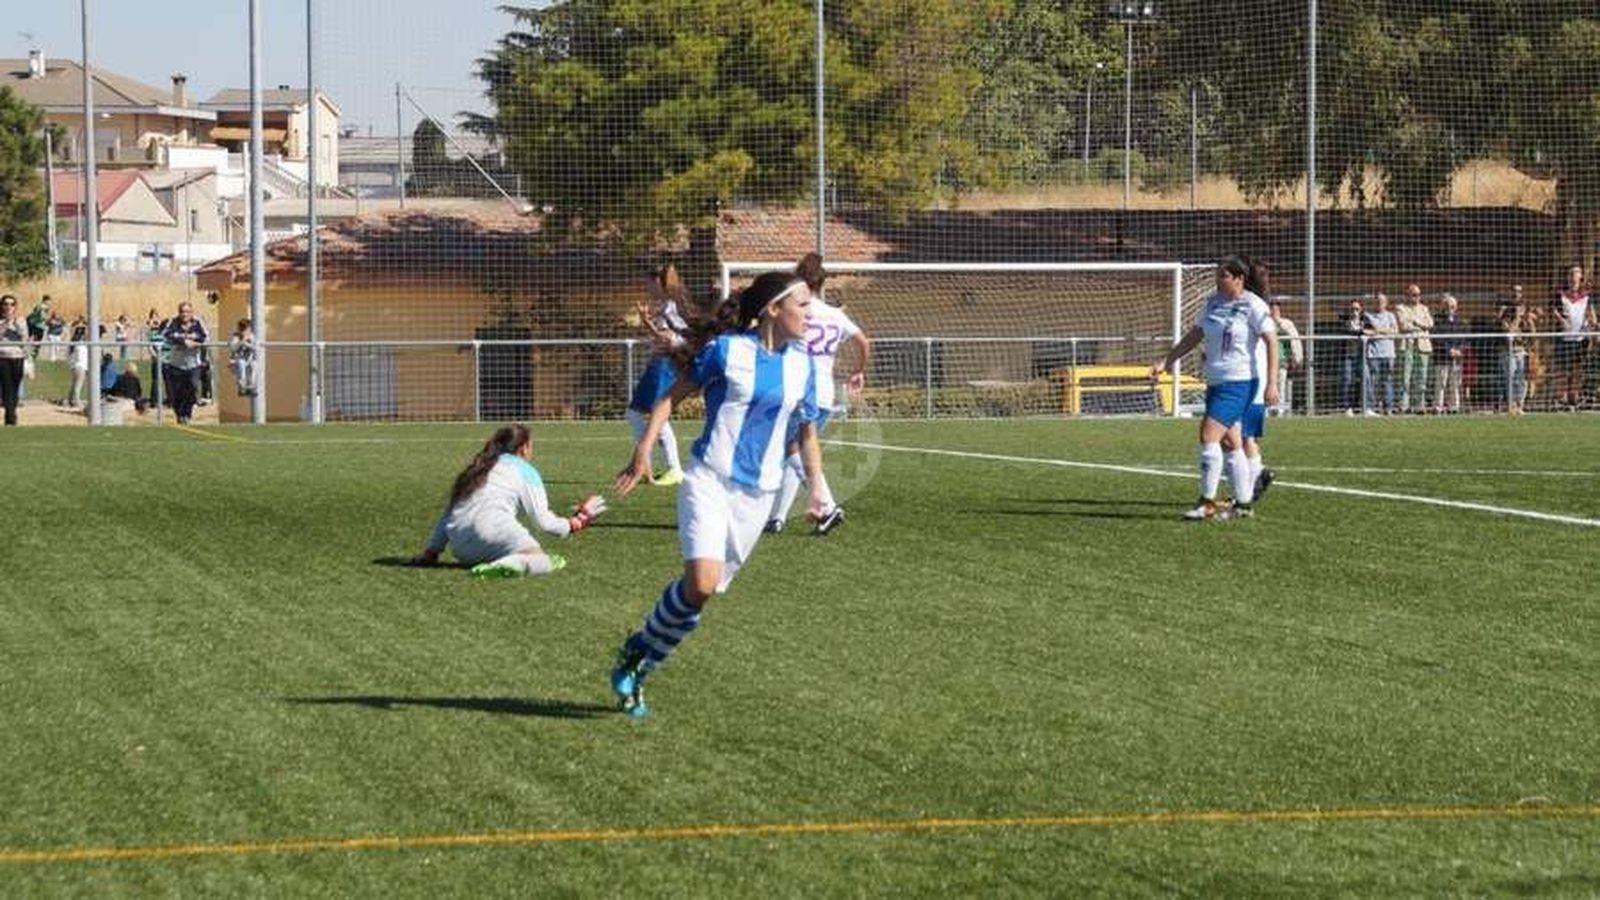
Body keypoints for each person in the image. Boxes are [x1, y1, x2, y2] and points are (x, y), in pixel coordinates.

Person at [607, 270, 826, 717]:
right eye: (802, 304)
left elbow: (806, 431)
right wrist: (644, 449)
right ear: (773, 309)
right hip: (709, 479)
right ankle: (639, 662)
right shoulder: (727, 351)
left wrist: (818, 488)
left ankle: (640, 651)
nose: (810, 312)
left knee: (701, 594)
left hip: (759, 495)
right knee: (701, 582)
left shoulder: (802, 363)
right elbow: (670, 397)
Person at [1149, 256, 1278, 521]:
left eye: (1223, 276)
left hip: (1239, 381)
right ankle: (1243, 505)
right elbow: (1195, 335)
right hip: (1217, 381)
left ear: (1239, 279)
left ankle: (1206, 502)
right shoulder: (1212, 303)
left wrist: (1272, 382)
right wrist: (1167, 360)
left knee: (1208, 435)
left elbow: (1272, 341)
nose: (1218, 281)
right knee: (1232, 442)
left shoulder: (1253, 305)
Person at [765, 252, 870, 535]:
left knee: (790, 449)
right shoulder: (835, 314)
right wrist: (858, 371)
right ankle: (778, 517)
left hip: (800, 388)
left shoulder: (798, 310)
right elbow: (862, 341)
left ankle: (827, 505)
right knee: (795, 450)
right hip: (825, 392)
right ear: (822, 282)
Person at [412, 423, 606, 577]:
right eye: (531, 447)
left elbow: (448, 514)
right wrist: (576, 522)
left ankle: (498, 562)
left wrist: (432, 552)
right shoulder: (525, 469)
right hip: (494, 533)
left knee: (520, 552)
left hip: (461, 548)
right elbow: (543, 522)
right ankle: (503, 564)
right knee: (544, 561)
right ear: (523, 448)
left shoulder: (476, 468)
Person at [625, 265, 691, 486]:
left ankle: (674, 469)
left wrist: (648, 324)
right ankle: (645, 463)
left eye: (649, 283)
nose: (647, 288)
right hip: (657, 363)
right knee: (634, 413)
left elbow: (673, 339)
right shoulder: (664, 306)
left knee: (657, 416)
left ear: (659, 283)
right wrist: (649, 324)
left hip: (665, 365)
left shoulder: (671, 308)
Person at [1550, 263, 1593, 411]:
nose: (1573, 276)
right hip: (1564, 338)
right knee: (1562, 369)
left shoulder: (1586, 295)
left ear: (1581, 276)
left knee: (1577, 369)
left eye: (1576, 273)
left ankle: (1574, 399)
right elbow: (1553, 310)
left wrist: (1592, 324)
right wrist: (1562, 320)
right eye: (1571, 273)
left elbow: (1590, 313)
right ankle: (1562, 399)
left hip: (1580, 339)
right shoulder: (1560, 294)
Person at [162, 302, 208, 424]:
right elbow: (166, 335)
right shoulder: (173, 322)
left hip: (193, 364)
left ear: (192, 313)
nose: (184, 314)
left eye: (187, 312)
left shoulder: (198, 323)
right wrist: (183, 341)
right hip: (176, 364)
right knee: (177, 392)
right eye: (182, 311)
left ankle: (187, 414)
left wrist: (195, 343)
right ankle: (179, 414)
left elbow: (204, 337)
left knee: (192, 389)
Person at [1395, 284, 1434, 413]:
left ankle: (1419, 406)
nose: (1417, 297)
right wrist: (1421, 326)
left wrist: (1415, 322)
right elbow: (1403, 325)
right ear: (1408, 295)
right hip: (1407, 346)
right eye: (1414, 294)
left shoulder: (1424, 308)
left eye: (1418, 294)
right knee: (1405, 377)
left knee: (1421, 378)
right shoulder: (1400, 308)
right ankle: (1404, 406)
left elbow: (1430, 324)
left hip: (1423, 346)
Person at [1431, 294, 1468, 414]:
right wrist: (1448, 350)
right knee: (1441, 383)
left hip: (1457, 358)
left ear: (1456, 307)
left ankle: (1454, 407)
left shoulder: (1461, 321)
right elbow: (1436, 338)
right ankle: (1438, 407)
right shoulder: (1437, 319)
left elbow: (1465, 339)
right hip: (1442, 357)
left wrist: (1459, 350)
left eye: (1452, 306)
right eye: (1447, 305)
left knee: (1455, 383)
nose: (1450, 308)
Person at [1363, 292, 1398, 415]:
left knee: (1387, 381)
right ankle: (1371, 408)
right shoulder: (1368, 316)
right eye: (1377, 301)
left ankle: (1388, 408)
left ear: (1386, 303)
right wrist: (1384, 332)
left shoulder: (1390, 316)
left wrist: (1378, 331)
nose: (1379, 303)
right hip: (1374, 355)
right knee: (1372, 382)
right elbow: (1366, 331)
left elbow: (1395, 332)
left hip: (1388, 354)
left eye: (1382, 301)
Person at [1266, 297, 1302, 416]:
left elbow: (1294, 338)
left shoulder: (1286, 323)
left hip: (1282, 360)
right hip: (1267, 361)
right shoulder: (1265, 324)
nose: (1274, 310)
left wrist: (1297, 358)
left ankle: (1279, 412)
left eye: (1276, 308)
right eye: (1272, 308)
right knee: (1268, 386)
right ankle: (1267, 411)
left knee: (1281, 387)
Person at [1499, 295, 1532, 415]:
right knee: (1510, 378)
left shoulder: (1525, 321)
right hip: (1509, 353)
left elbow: (1532, 336)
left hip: (1521, 352)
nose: (1521, 310)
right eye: (1519, 308)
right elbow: (1510, 333)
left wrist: (1529, 321)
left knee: (1522, 379)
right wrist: (1517, 318)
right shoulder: (1506, 320)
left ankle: (1520, 404)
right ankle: (1510, 404)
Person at [0, 295, 27, 426]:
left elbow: (24, 338)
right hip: (3, 357)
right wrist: (5, 323)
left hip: (18, 357)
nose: (8, 307)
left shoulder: (21, 320)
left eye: (12, 304)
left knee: (15, 387)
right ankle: (10, 417)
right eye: (5, 304)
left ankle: (12, 412)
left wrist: (15, 324)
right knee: (6, 387)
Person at [1338, 298, 1367, 414]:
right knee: (1347, 380)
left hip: (1362, 355)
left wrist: (1364, 331)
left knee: (1364, 379)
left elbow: (1372, 330)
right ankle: (1347, 407)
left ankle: (1363, 406)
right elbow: (1349, 332)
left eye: (1357, 309)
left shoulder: (1364, 321)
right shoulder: (1345, 321)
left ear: (1361, 310)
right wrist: (1361, 332)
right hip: (1348, 355)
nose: (1354, 311)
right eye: (1352, 309)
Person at [228, 318, 259, 396]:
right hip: (237, 361)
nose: (245, 331)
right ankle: (242, 387)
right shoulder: (236, 336)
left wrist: (248, 344)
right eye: (243, 329)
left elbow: (256, 348)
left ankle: (251, 386)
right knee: (241, 364)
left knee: (254, 365)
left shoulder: (252, 336)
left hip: (248, 360)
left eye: (247, 329)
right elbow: (232, 348)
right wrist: (241, 342)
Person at [64, 323, 90, 409]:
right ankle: (76, 401)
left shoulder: (73, 344)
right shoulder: (81, 345)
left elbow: (68, 356)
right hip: (80, 367)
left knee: (74, 384)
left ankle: (70, 400)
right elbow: (83, 358)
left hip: (75, 366)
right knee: (78, 385)